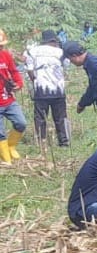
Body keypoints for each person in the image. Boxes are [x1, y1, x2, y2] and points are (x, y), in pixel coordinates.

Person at [23, 29, 70, 149]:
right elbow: (67, 65)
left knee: (40, 117)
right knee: (60, 117)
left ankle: (41, 142)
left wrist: (35, 80)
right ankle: (64, 142)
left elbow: (29, 69)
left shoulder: (32, 51)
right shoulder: (60, 52)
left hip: (41, 90)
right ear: (54, 40)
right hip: (58, 90)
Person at [0, 29, 28, 163]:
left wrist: (18, 83)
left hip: (8, 99)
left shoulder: (6, 55)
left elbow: (14, 72)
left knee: (21, 123)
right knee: (0, 133)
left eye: (1, 45)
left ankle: (11, 146)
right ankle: (6, 158)